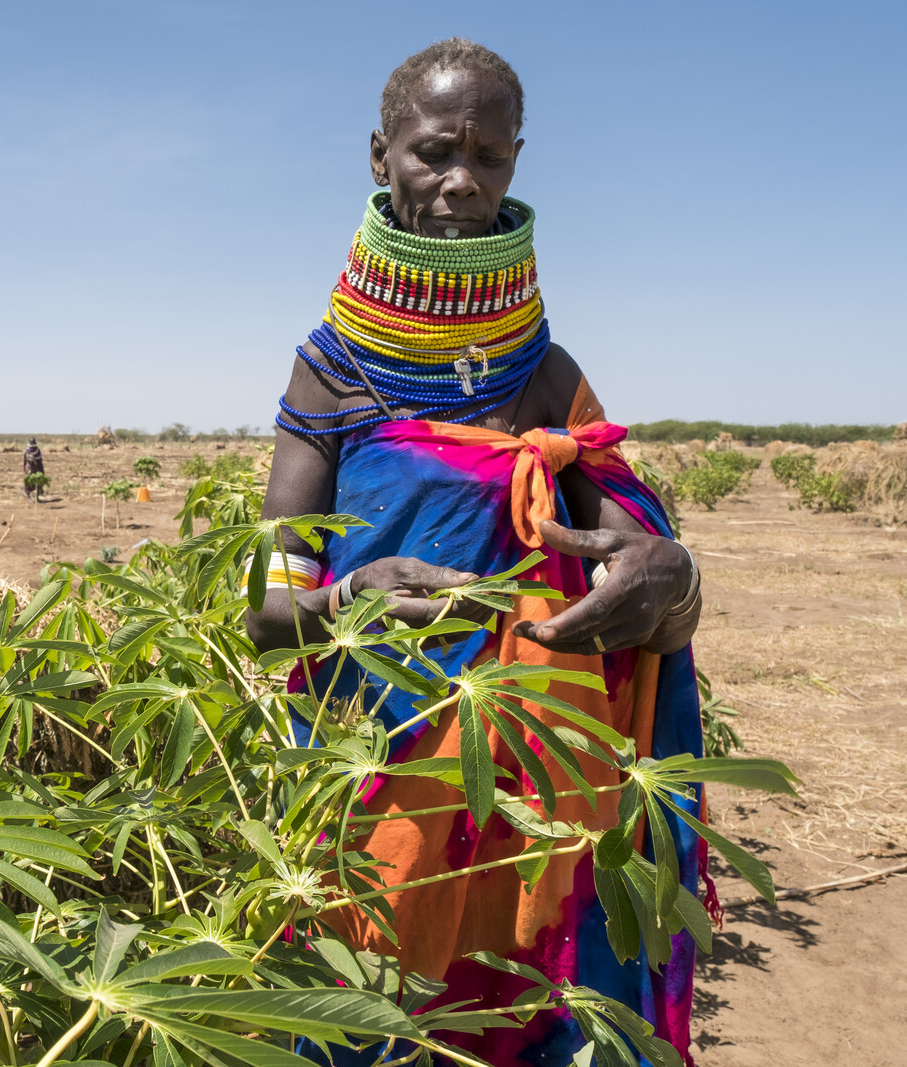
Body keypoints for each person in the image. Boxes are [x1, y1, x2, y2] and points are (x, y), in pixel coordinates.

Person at [247, 39, 705, 1065]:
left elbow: (637, 539)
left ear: (515, 161)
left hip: (541, 772)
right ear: (379, 155)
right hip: (379, 755)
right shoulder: (329, 373)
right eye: (433, 151)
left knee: (527, 1006)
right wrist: (350, 595)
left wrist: (666, 573)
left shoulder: (545, 373)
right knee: (375, 1009)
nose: (461, 180)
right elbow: (267, 609)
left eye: (489, 157)